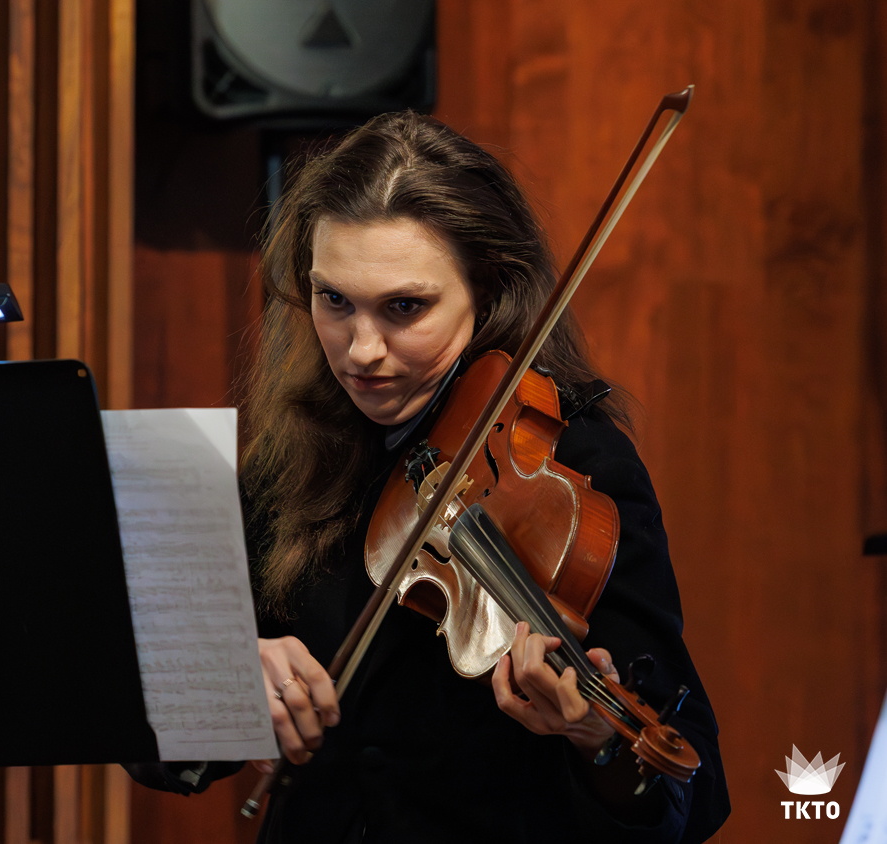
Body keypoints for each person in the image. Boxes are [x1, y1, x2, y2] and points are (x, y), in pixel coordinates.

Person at [131, 111, 729, 843]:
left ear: (488, 289)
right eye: (333, 300)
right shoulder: (299, 450)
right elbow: (161, 750)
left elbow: (692, 795)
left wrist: (594, 741)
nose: (361, 350)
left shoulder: (577, 469)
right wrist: (227, 676)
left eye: (405, 308)